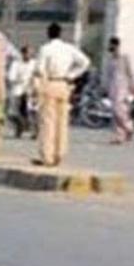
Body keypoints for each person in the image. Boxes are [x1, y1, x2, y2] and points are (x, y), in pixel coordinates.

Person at [33, 22, 91, 166]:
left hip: (50, 83)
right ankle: (60, 153)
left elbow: (40, 69)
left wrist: (39, 87)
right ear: (60, 33)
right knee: (62, 122)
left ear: (48, 33)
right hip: (64, 84)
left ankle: (47, 156)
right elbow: (85, 62)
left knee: (48, 122)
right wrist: (71, 75)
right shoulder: (68, 48)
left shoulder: (45, 49)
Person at [104, 36, 134, 144]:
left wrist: (133, 87)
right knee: (115, 112)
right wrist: (106, 87)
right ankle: (120, 136)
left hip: (123, 87)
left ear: (116, 45)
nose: (110, 47)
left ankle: (129, 127)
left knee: (120, 110)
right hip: (113, 87)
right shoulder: (110, 59)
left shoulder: (124, 57)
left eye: (112, 45)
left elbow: (130, 73)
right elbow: (108, 75)